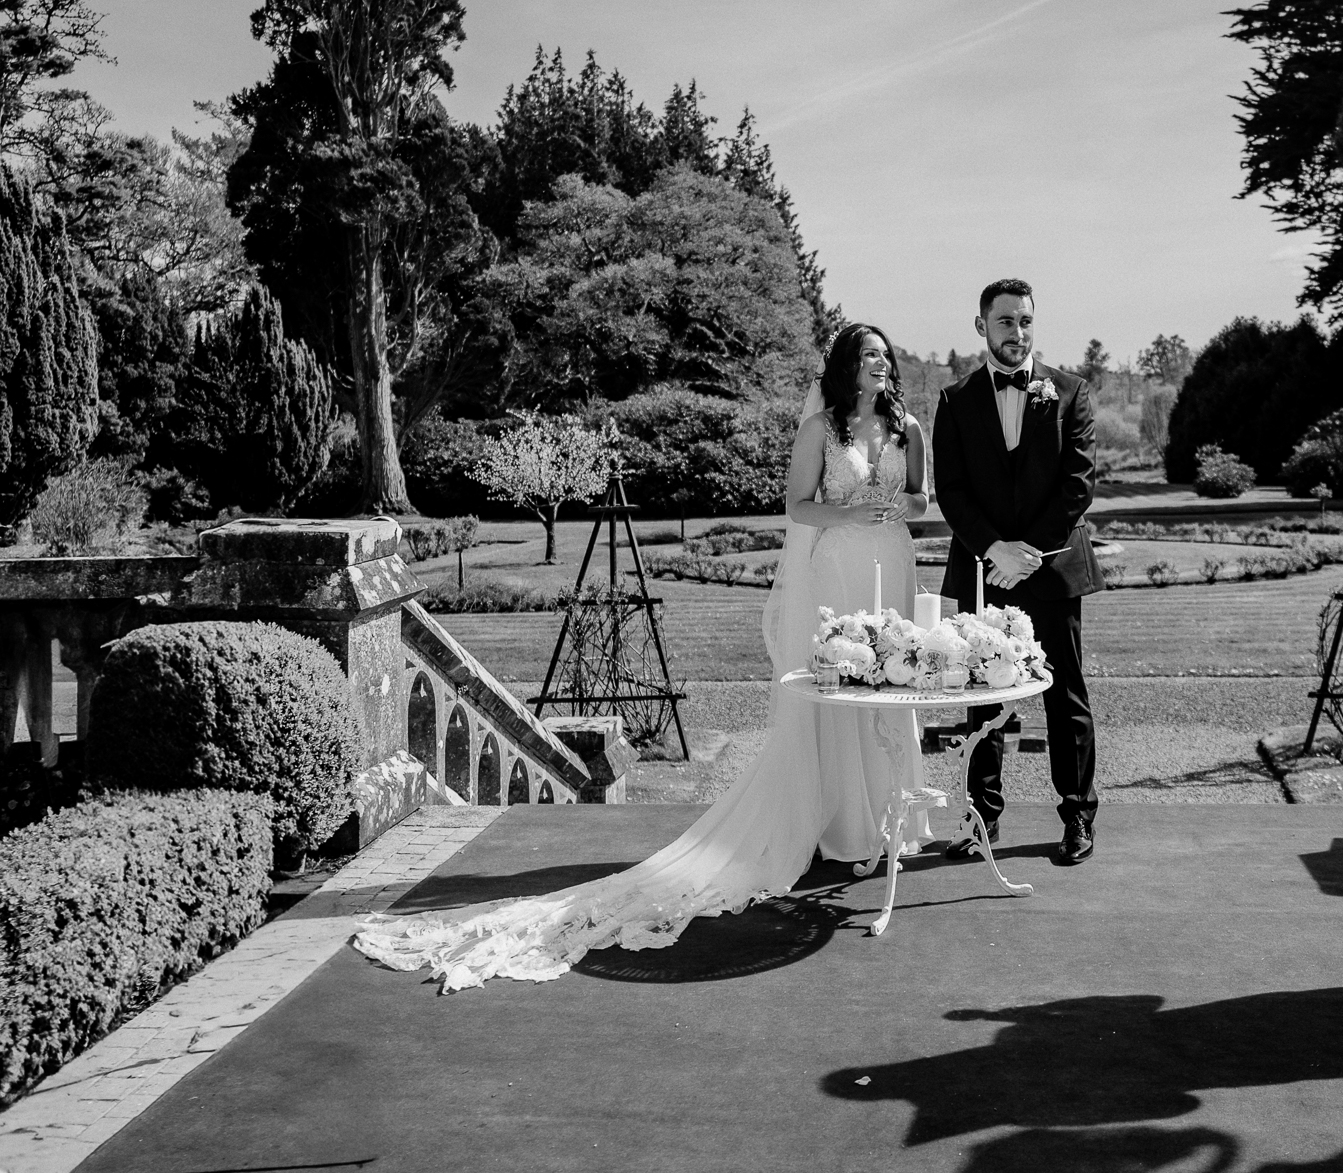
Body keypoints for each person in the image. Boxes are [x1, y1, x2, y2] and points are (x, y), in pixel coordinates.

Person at [352, 324, 934, 991]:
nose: (882, 366)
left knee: (888, 684)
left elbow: (921, 498)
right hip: (838, 567)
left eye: (888, 356)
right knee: (842, 689)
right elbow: (796, 506)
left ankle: (889, 816)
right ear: (846, 366)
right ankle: (842, 825)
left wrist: (894, 508)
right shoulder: (822, 429)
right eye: (870, 356)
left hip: (890, 561)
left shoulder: (907, 426)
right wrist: (850, 514)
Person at [932, 278, 1102, 866]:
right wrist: (994, 550)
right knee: (980, 693)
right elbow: (950, 491)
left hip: (1052, 570)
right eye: (1005, 321)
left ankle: (1077, 814)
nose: (1018, 331)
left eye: (1026, 320)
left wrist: (1025, 550)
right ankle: (981, 819)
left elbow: (1078, 485)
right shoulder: (954, 401)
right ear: (982, 326)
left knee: (1066, 695)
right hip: (983, 569)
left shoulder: (1072, 392)